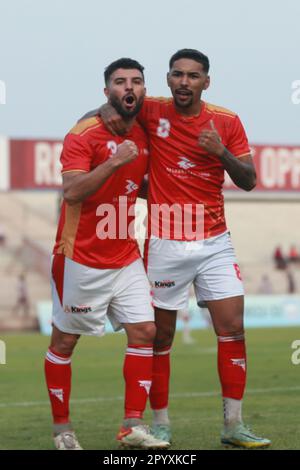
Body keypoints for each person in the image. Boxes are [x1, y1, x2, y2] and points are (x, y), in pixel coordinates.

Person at [83, 49, 271, 449]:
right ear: (168, 80)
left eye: (193, 75)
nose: (185, 81)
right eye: (177, 75)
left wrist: (219, 151)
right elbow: (116, 104)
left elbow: (250, 180)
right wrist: (105, 106)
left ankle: (233, 425)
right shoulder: (153, 110)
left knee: (233, 329)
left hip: (215, 241)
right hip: (166, 241)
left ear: (207, 81)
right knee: (159, 337)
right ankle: (162, 424)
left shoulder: (227, 121)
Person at [44, 58, 170, 450]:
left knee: (145, 331)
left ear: (144, 89)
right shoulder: (84, 134)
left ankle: (131, 427)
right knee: (65, 343)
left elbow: (140, 184)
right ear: (106, 92)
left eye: (136, 81)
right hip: (80, 257)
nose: (128, 87)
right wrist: (115, 161)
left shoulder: (146, 133)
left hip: (125, 254)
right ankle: (62, 431)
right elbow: (73, 192)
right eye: (119, 82)